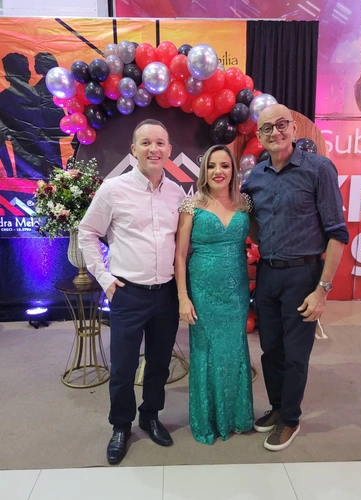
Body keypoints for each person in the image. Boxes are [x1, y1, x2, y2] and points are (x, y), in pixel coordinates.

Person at [241, 103, 349, 451]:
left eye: (281, 124)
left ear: (294, 129)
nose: (275, 132)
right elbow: (255, 228)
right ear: (259, 136)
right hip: (268, 273)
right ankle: (277, 407)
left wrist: (322, 290)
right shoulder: (256, 177)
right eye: (267, 128)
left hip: (304, 274)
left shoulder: (319, 169)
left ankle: (290, 419)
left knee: (295, 353)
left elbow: (337, 233)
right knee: (270, 349)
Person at [78, 119, 185, 464]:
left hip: (165, 294)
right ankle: (121, 426)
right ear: (133, 149)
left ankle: (150, 416)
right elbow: (87, 232)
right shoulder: (113, 189)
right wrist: (105, 279)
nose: (154, 149)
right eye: (146, 143)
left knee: (158, 363)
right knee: (123, 367)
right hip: (128, 294)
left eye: (160, 143)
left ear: (169, 150)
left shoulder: (177, 193)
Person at [175, 144, 254, 445]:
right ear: (203, 171)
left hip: (236, 292)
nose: (218, 171)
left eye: (224, 165)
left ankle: (235, 417)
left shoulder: (244, 203)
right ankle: (207, 420)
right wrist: (183, 296)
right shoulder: (191, 205)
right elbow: (180, 256)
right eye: (211, 166)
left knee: (234, 350)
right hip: (203, 292)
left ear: (233, 171)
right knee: (205, 351)